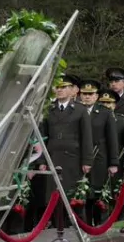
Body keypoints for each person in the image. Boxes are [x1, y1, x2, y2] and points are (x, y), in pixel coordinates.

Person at [38, 73, 92, 211]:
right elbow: (43, 137)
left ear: (71, 89)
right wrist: (42, 161)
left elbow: (86, 137)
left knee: (73, 197)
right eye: (57, 87)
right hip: (53, 157)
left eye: (63, 87)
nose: (60, 90)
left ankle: (74, 222)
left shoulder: (80, 109)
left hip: (73, 158)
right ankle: (55, 223)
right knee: (53, 197)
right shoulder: (49, 108)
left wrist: (87, 161)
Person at [78, 79, 118, 224]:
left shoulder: (105, 113)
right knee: (83, 196)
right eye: (84, 94)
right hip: (80, 159)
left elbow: (112, 139)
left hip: (100, 159)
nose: (87, 97)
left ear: (96, 96)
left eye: (91, 94)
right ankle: (86, 227)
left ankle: (102, 229)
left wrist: (113, 162)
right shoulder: (76, 110)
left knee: (100, 197)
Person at [100, 90, 124, 180]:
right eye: (102, 103)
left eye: (109, 103)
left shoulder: (122, 121)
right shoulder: (93, 120)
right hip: (98, 162)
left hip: (118, 163)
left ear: (114, 105)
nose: (105, 105)